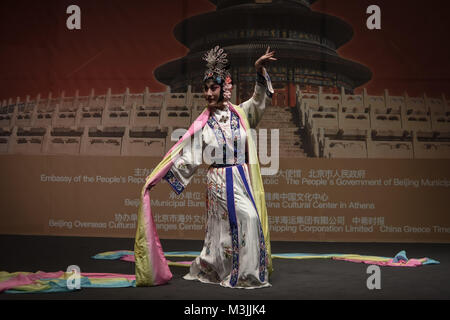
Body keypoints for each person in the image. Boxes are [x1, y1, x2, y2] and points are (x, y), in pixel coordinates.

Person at [134, 46, 276, 289]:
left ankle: (227, 268)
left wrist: (259, 70)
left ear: (225, 89)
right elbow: (185, 155)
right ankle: (245, 275)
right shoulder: (203, 125)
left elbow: (259, 100)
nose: (209, 93)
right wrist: (157, 178)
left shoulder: (241, 114)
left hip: (242, 178)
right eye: (206, 89)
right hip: (219, 180)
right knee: (247, 219)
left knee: (233, 229)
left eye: (214, 88)